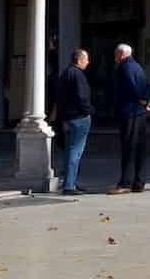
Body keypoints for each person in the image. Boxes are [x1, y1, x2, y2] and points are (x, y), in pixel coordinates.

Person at [108, 42, 150, 194]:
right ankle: (139, 182)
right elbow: (147, 86)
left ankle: (125, 183)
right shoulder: (138, 66)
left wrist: (142, 100)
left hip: (129, 112)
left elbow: (131, 87)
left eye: (115, 54)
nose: (115, 57)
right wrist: (147, 102)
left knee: (128, 147)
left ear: (121, 54)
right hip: (140, 113)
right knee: (140, 148)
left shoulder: (124, 67)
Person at [52, 48, 94, 195]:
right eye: (86, 59)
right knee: (75, 152)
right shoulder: (77, 74)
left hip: (69, 117)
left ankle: (71, 182)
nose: (88, 62)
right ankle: (69, 185)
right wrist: (88, 111)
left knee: (71, 151)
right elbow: (81, 97)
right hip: (78, 118)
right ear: (79, 60)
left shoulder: (66, 73)